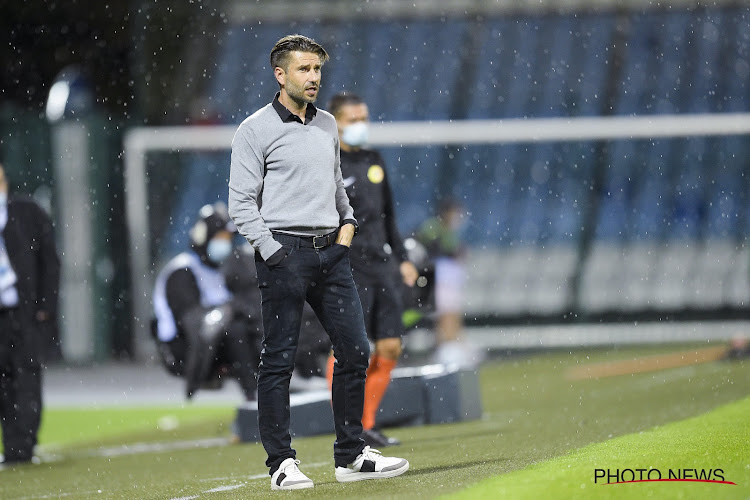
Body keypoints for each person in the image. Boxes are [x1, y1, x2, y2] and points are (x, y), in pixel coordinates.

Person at [228, 34, 409, 490]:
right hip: (282, 254)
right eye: (305, 69)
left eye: (317, 70)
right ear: (280, 74)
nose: (313, 78)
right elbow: (241, 205)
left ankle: (350, 454)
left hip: (332, 253)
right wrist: (274, 253)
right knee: (279, 361)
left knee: (355, 351)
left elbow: (336, 187)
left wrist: (345, 228)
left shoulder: (328, 124)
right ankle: (281, 464)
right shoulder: (253, 130)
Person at [325, 92, 418, 448]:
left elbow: (388, 215)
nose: (361, 125)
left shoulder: (374, 159)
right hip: (349, 266)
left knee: (391, 346)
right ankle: (347, 426)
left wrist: (403, 258)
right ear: (336, 123)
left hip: (382, 265)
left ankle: (366, 422)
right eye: (353, 120)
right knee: (350, 349)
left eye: (364, 117)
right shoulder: (328, 163)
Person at [152, 202, 260, 401]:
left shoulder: (223, 271)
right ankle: (254, 396)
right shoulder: (181, 272)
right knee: (236, 330)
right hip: (183, 351)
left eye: (228, 239)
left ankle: (277, 386)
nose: (225, 244)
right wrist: (233, 310)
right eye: (220, 238)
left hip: (214, 345)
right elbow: (195, 323)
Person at [0, 163, 60, 467]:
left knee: (24, 378)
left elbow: (49, 261)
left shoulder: (26, 212)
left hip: (22, 312)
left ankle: (21, 447)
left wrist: (45, 307)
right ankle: (13, 445)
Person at [416, 199, 481, 368]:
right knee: (445, 315)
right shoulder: (433, 228)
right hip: (440, 278)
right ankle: (446, 349)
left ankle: (456, 346)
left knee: (453, 313)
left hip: (449, 278)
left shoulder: (450, 232)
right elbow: (431, 247)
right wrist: (453, 253)